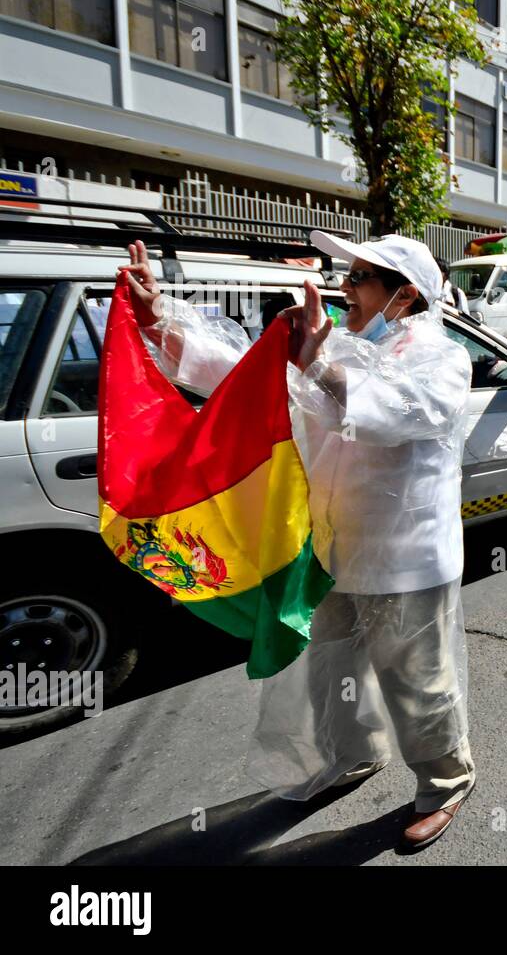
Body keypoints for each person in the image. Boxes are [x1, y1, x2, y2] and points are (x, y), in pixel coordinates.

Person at [119, 233, 476, 852]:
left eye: (362, 275)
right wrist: (161, 325)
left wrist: (319, 367)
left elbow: (396, 410)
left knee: (418, 688)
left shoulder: (442, 359)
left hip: (407, 565)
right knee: (331, 675)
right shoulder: (337, 343)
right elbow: (242, 377)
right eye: (349, 271)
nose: (345, 285)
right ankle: (353, 756)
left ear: (405, 295)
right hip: (329, 557)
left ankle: (445, 781)